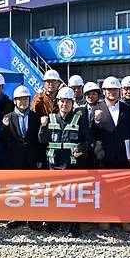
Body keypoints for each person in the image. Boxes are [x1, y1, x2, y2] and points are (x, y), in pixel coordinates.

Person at [39, 86, 92, 236]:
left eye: (68, 102)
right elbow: (42, 140)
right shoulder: (51, 118)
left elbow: (88, 140)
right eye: (62, 101)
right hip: (54, 165)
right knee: (55, 195)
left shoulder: (79, 119)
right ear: (58, 102)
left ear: (72, 103)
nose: (65, 104)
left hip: (72, 165)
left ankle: (74, 225)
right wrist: (43, 127)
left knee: (73, 196)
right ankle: (55, 221)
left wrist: (81, 148)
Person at [90, 76, 130, 232]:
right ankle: (105, 217)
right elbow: (90, 133)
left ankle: (124, 218)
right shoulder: (96, 108)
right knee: (105, 189)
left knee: (123, 188)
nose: (112, 92)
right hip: (103, 155)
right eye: (109, 90)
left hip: (122, 154)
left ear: (119, 91)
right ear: (104, 92)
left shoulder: (127, 109)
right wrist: (95, 121)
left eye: (114, 89)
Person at [0, 85, 45, 231]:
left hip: (31, 159)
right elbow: (3, 141)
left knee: (32, 189)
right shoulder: (8, 118)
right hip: (14, 159)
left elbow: (39, 141)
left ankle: (32, 218)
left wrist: (39, 158)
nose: (23, 102)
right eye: (20, 99)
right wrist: (4, 128)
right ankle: (16, 216)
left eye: (26, 99)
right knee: (16, 189)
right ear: (15, 101)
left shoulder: (35, 117)